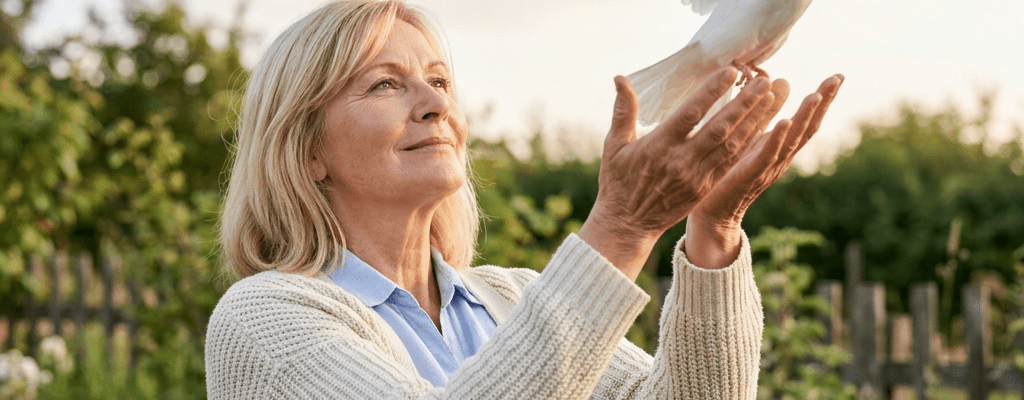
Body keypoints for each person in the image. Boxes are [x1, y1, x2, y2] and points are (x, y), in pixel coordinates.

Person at [204, 0, 844, 398]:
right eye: (384, 85)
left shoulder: (511, 298)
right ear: (307, 149)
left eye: (438, 81)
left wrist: (715, 228)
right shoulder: (265, 320)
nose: (434, 105)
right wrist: (620, 229)